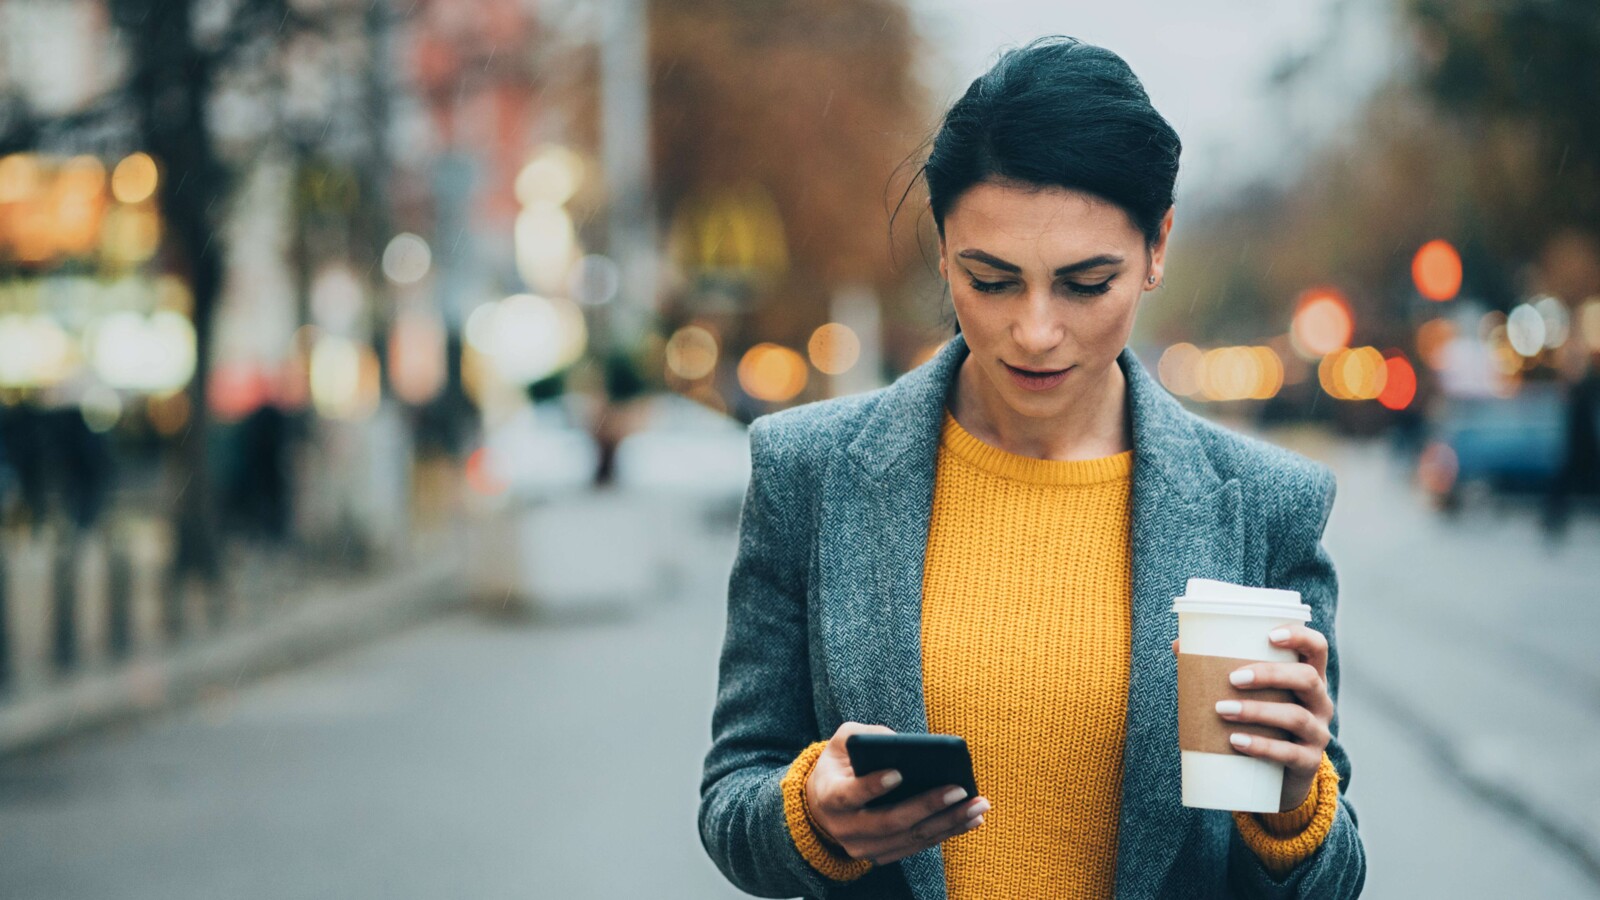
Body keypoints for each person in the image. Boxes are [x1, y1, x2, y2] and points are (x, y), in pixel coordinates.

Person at [699, 36, 1365, 899]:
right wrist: (810, 816)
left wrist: (1291, 811)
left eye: (1086, 284)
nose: (1036, 331)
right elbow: (732, 797)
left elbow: (1335, 877)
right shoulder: (809, 473)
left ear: (1158, 246)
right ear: (944, 248)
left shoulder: (1270, 505)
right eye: (992, 280)